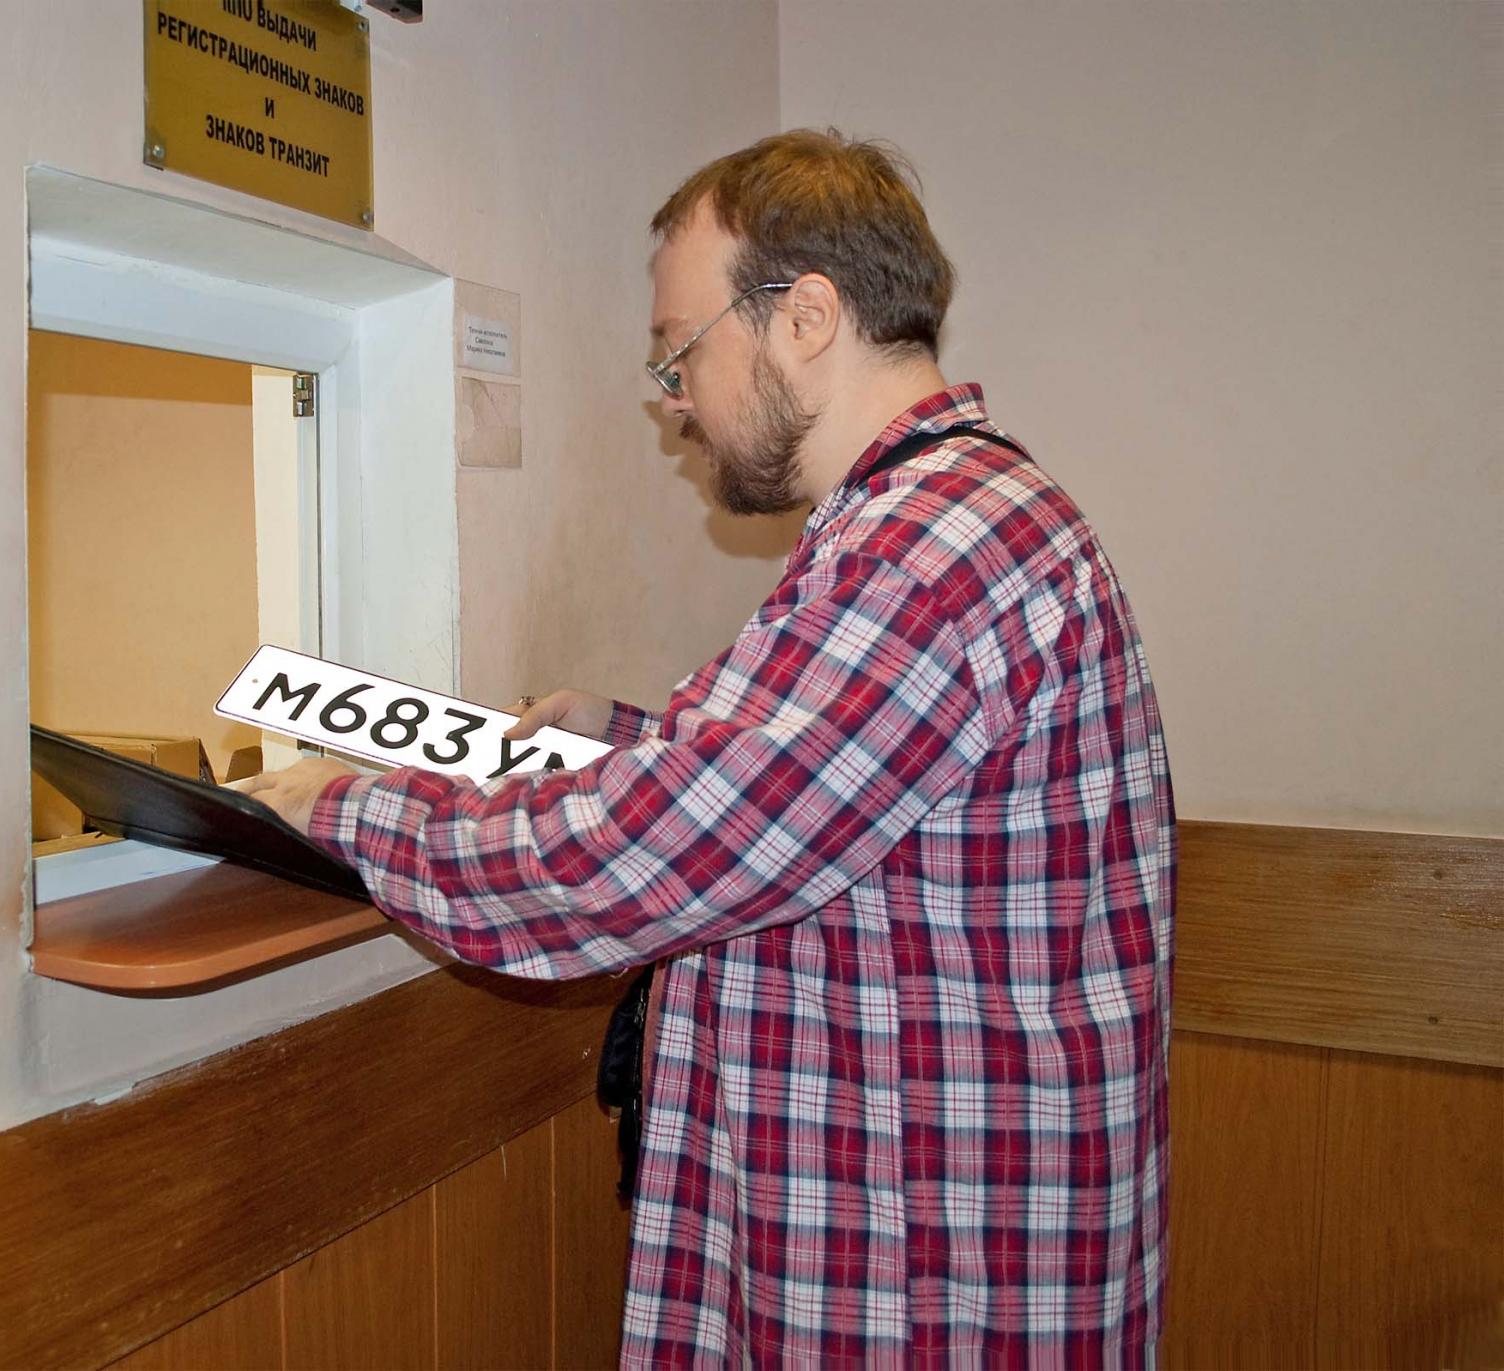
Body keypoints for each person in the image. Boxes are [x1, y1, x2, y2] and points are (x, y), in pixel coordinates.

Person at [241, 129, 1174, 1367]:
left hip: (924, 1278)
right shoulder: (936, 520)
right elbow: (831, 801)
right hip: (920, 1237)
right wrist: (623, 742)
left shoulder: (930, 549)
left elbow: (653, 856)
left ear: (806, 318)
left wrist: (336, 805)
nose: (671, 398)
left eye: (679, 352)